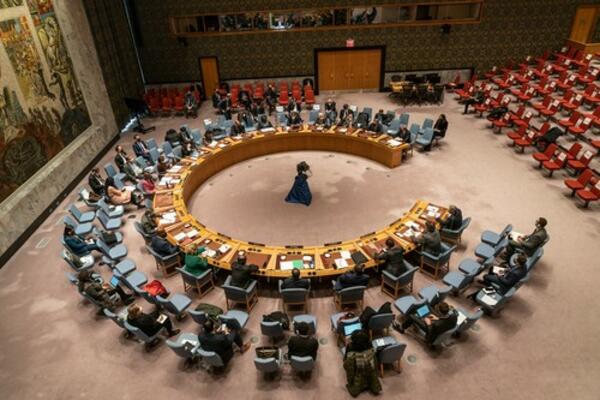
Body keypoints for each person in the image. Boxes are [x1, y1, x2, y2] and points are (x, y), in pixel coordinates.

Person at [343, 329, 381, 397]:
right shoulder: (372, 349)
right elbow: (375, 365)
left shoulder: (351, 354)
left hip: (358, 378)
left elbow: (347, 368)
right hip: (370, 374)